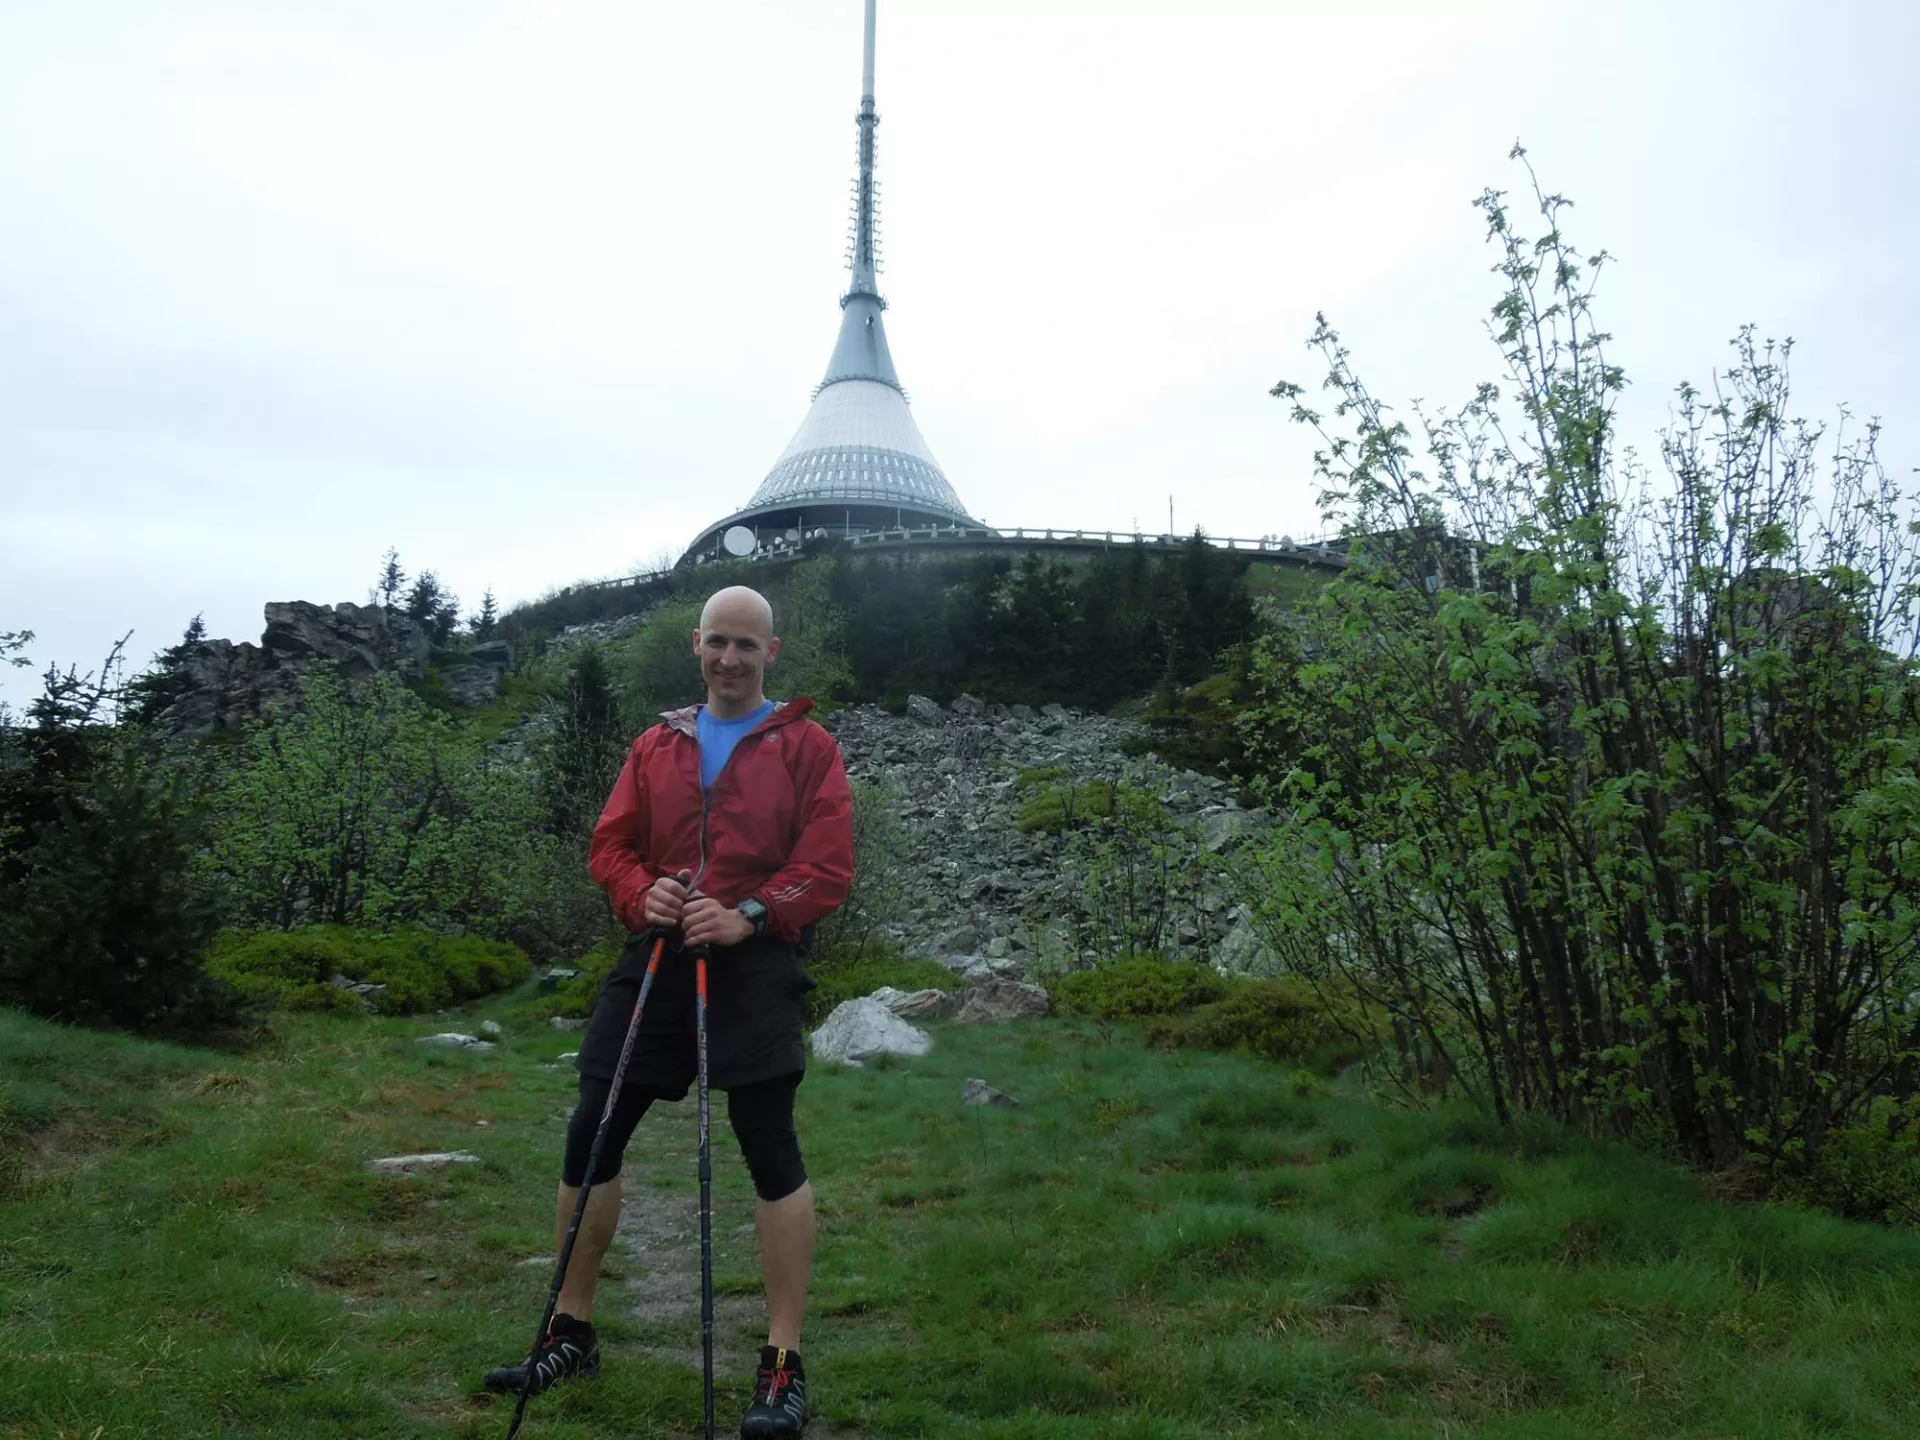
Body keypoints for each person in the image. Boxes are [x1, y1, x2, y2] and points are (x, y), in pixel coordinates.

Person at [486, 584, 853, 1438]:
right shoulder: (657, 742)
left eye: (747, 646)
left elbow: (827, 864)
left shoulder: (808, 745)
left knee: (769, 1145)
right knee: (593, 1129)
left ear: (773, 652)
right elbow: (610, 845)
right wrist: (639, 893)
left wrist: (749, 913)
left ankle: (783, 1365)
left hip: (754, 961)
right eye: (718, 643)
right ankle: (570, 1330)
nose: (731, 659)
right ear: (696, 646)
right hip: (654, 956)